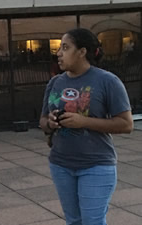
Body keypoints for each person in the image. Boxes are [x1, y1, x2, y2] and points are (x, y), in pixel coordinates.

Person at [39, 28, 133, 225]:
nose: (59, 53)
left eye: (65, 48)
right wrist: (51, 122)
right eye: (59, 48)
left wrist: (84, 122)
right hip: (61, 164)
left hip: (96, 165)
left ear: (82, 52)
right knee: (74, 221)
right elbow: (42, 121)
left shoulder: (107, 81)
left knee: (92, 221)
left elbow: (126, 124)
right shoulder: (55, 82)